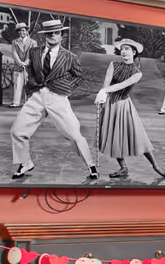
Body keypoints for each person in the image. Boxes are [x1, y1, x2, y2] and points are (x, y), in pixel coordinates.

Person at [9, 17, 100, 183]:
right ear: (45, 35)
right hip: (37, 96)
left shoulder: (70, 57)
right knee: (17, 131)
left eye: (56, 33)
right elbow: (31, 71)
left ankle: (91, 166)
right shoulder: (34, 52)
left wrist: (65, 89)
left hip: (58, 98)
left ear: (61, 36)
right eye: (49, 33)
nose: (52, 36)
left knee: (74, 134)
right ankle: (25, 163)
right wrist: (32, 87)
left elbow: (78, 77)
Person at [95, 38, 165, 182]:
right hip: (110, 104)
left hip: (124, 106)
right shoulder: (113, 64)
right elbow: (107, 82)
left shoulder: (137, 73)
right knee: (112, 137)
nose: (123, 52)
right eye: (122, 49)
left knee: (139, 136)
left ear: (134, 52)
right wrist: (103, 95)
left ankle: (155, 166)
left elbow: (122, 85)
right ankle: (123, 167)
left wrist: (104, 91)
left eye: (127, 49)